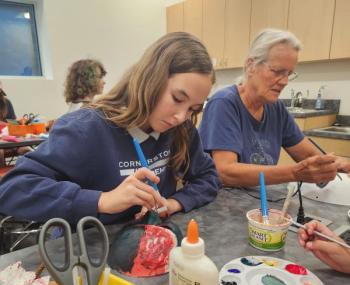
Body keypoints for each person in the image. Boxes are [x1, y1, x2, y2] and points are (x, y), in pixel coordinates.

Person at [0, 32, 220, 225]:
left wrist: (172, 203)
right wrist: (102, 200)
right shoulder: (85, 128)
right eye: (177, 98)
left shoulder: (181, 129)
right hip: (88, 253)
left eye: (193, 108)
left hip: (150, 245)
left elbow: (208, 176)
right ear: (151, 79)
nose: (181, 116)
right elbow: (12, 189)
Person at [199, 29, 350, 187]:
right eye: (277, 71)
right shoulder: (224, 103)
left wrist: (332, 164)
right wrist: (293, 173)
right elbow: (225, 173)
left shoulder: (276, 109)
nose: (285, 81)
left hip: (258, 198)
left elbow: (309, 156)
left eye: (289, 74)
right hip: (221, 200)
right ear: (251, 65)